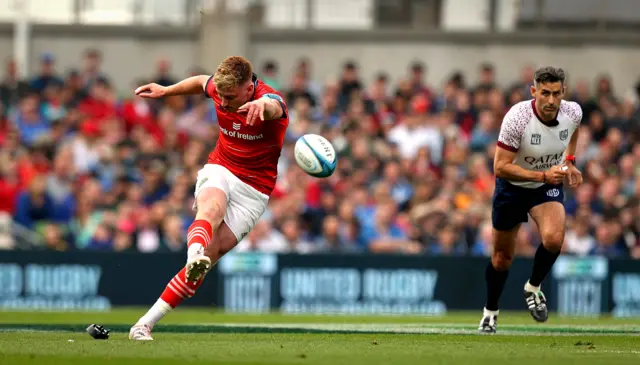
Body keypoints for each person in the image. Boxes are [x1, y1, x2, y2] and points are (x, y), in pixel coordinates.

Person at [128, 56, 289, 340]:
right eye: (221, 96)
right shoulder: (220, 89)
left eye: (230, 97)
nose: (224, 103)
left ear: (248, 89)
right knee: (211, 209)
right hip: (222, 168)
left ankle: (144, 322)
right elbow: (201, 81)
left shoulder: (268, 100)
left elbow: (275, 107)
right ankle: (193, 257)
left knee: (210, 257)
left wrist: (261, 106)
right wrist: (166, 91)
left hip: (254, 192)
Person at [478, 67, 583, 333]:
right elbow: (500, 167)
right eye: (545, 93)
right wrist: (542, 175)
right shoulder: (518, 118)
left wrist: (569, 162)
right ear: (534, 91)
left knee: (554, 240)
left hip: (545, 185)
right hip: (512, 188)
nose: (551, 100)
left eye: (556, 94)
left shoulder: (573, 112)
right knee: (502, 258)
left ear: (563, 93)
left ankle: (533, 287)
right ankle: (490, 311)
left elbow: (573, 133)